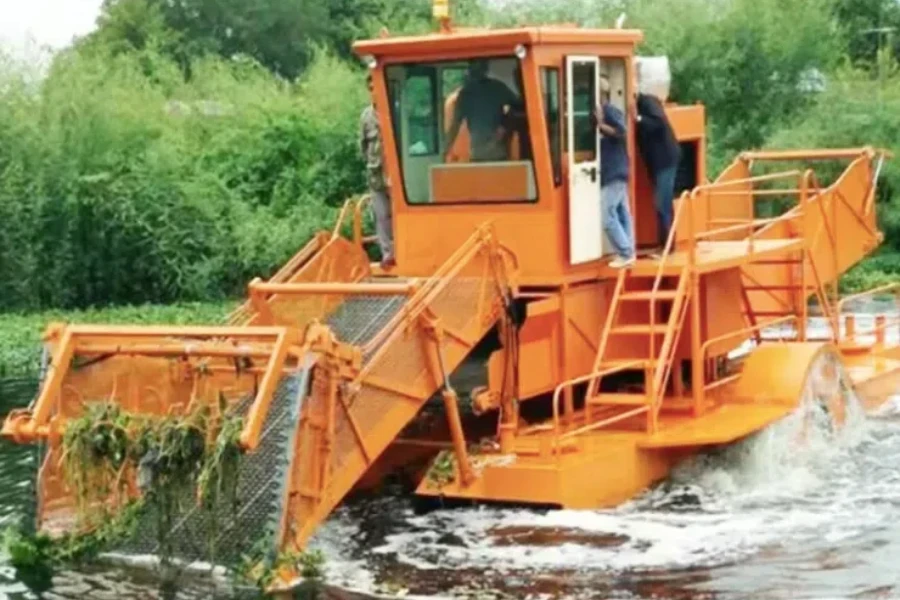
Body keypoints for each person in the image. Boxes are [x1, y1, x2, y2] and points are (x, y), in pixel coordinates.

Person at [443, 60, 518, 162]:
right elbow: (519, 106)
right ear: (486, 69)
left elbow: (455, 125)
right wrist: (505, 122)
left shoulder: (466, 93)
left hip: (484, 154)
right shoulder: (497, 88)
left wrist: (446, 150)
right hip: (492, 154)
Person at [594, 77, 634, 268]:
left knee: (607, 214)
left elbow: (622, 131)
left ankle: (625, 252)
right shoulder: (603, 112)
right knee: (621, 211)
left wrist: (601, 126)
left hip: (615, 172)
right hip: (616, 170)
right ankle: (629, 251)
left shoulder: (610, 111)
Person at [635, 91, 680, 255]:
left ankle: (667, 246)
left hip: (665, 160)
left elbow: (658, 123)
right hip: (658, 162)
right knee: (664, 203)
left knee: (662, 203)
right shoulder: (646, 103)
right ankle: (667, 243)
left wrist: (638, 119)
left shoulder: (647, 102)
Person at [359, 72, 395, 269]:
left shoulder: (394, 111)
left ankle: (401, 250)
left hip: (396, 175)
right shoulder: (366, 117)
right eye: (372, 88)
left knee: (397, 215)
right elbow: (363, 145)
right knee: (380, 215)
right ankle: (387, 254)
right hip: (376, 174)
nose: (375, 92)